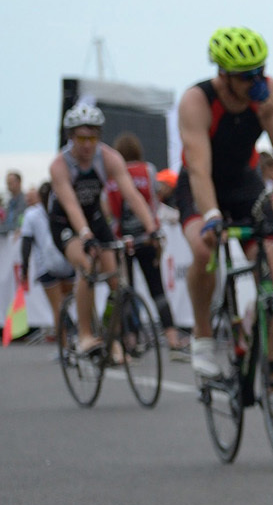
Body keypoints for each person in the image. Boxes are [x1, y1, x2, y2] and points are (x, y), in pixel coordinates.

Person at [176, 28, 273, 418]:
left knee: (270, 266)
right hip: (201, 183)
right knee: (204, 249)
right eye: (245, 76)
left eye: (259, 72)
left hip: (244, 182)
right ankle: (202, 337)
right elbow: (199, 168)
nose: (255, 82)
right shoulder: (197, 100)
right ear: (222, 74)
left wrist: (270, 115)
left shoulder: (271, 93)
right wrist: (212, 216)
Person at [47, 105, 164, 358]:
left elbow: (131, 195)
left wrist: (152, 228)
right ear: (70, 137)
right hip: (65, 222)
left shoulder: (109, 157)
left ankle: (112, 337)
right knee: (87, 265)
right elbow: (70, 204)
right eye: (81, 138)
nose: (87, 145)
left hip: (95, 218)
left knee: (116, 279)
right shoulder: (60, 165)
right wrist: (86, 236)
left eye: (92, 138)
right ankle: (85, 335)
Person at [105, 132, 175, 335]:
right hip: (147, 237)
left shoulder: (111, 176)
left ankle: (131, 340)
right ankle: (171, 337)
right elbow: (155, 197)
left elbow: (107, 209)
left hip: (121, 240)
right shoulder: (147, 170)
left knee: (125, 290)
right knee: (157, 288)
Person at [18, 183, 77, 346]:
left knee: (57, 308)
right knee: (66, 304)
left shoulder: (31, 214)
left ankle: (65, 347)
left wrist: (25, 267)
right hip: (67, 263)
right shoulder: (64, 209)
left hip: (45, 266)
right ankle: (72, 338)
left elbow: (26, 242)